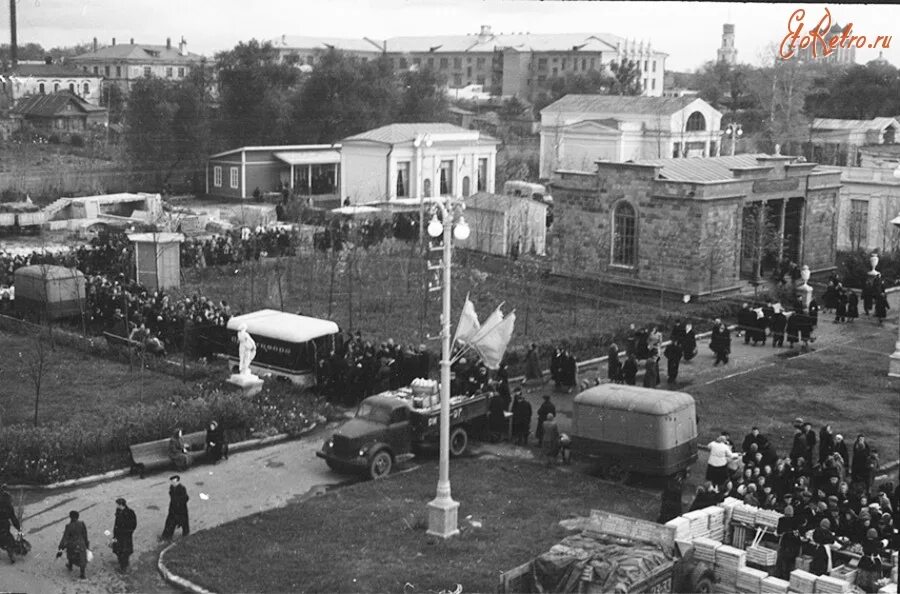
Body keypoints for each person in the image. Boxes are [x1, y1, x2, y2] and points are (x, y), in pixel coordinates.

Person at [57, 510, 89, 579]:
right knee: (82, 558)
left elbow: (64, 538)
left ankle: (70, 566)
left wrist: (60, 549)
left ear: (70, 517)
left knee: (71, 555)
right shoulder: (82, 524)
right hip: (81, 543)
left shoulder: (68, 526)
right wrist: (87, 544)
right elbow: (85, 535)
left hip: (72, 544)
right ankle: (82, 573)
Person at [775, 505, 803, 579]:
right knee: (791, 563)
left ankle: (780, 575)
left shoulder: (781, 520)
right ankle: (788, 577)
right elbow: (798, 533)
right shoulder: (796, 520)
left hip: (785, 544)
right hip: (794, 545)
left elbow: (778, 532)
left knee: (782, 561)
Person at [161, 475, 190, 540]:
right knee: (170, 522)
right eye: (171, 481)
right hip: (173, 508)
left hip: (181, 509)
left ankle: (186, 533)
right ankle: (166, 536)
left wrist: (179, 503)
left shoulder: (182, 488)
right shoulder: (171, 487)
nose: (172, 482)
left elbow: (186, 498)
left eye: (173, 481)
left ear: (177, 481)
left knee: (183, 522)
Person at [112, 498, 137, 571]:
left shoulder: (130, 513)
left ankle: (124, 567)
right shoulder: (118, 511)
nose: (116, 506)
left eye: (117, 504)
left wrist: (127, 532)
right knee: (118, 550)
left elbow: (133, 525)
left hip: (125, 537)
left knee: (124, 551)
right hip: (117, 536)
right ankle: (121, 562)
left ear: (121, 505)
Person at [857, 528, 884, 593]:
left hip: (864, 561)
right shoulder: (877, 543)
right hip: (874, 563)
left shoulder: (864, 541)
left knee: (863, 581)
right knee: (873, 582)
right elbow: (883, 544)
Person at [0, 484, 21, 564]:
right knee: (7, 537)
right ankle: (10, 550)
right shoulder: (7, 501)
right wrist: (18, 527)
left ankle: (10, 550)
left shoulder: (6, 499)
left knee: (4, 538)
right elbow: (12, 516)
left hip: (3, 522)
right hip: (5, 523)